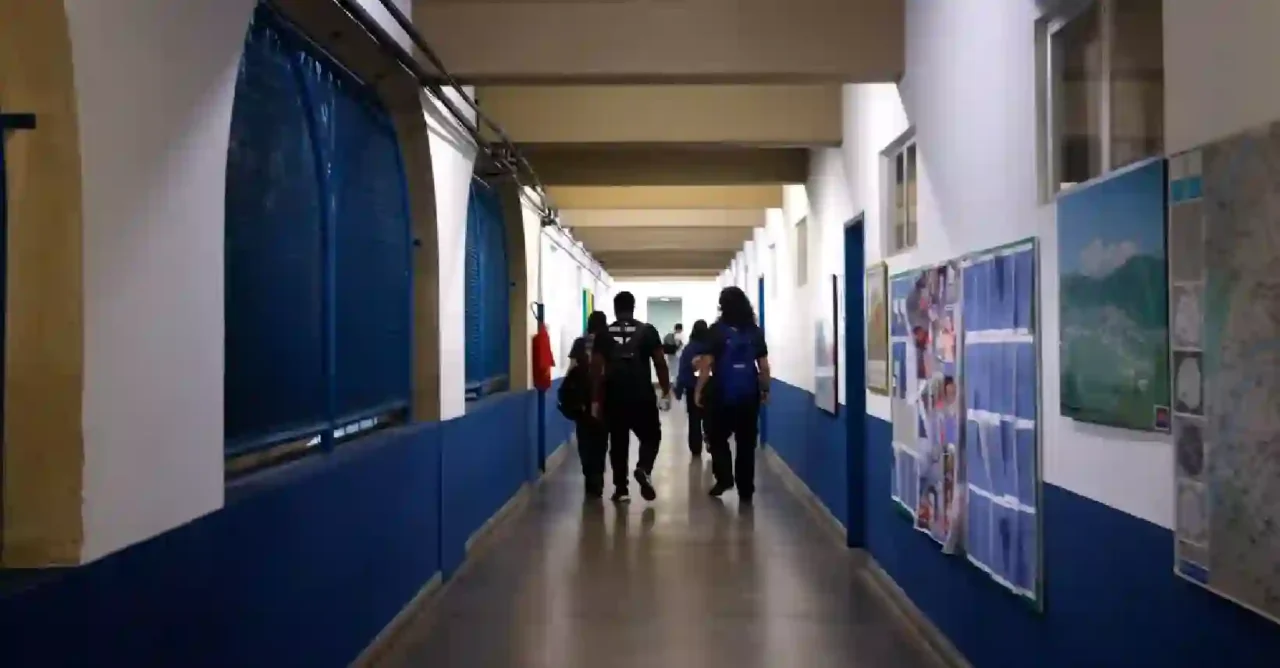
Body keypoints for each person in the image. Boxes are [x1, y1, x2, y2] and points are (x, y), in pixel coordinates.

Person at [695, 286, 771, 503]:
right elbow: (764, 367)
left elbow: (706, 365)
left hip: (721, 395)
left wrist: (699, 390)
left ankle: (725, 478)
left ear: (722, 306)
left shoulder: (716, 330)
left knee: (717, 438)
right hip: (749, 396)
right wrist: (765, 390)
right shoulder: (755, 332)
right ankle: (746, 489)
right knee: (746, 443)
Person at [604, 291, 671, 502]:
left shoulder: (605, 334)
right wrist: (666, 390)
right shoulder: (648, 331)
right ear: (633, 308)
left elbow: (596, 368)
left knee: (618, 443)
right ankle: (643, 468)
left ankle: (621, 489)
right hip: (642, 396)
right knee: (652, 436)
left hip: (614, 397)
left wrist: (596, 400)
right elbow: (660, 362)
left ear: (615, 309)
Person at [565, 311, 612, 499]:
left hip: (582, 401)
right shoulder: (609, 343)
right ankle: (597, 477)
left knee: (584, 440)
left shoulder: (579, 343)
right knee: (601, 440)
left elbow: (571, 369)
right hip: (603, 399)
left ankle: (589, 476)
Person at [673, 319, 710, 456]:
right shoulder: (711, 348)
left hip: (692, 388)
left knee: (694, 419)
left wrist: (678, 390)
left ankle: (695, 448)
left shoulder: (689, 349)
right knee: (709, 417)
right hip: (709, 388)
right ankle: (710, 439)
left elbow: (683, 371)